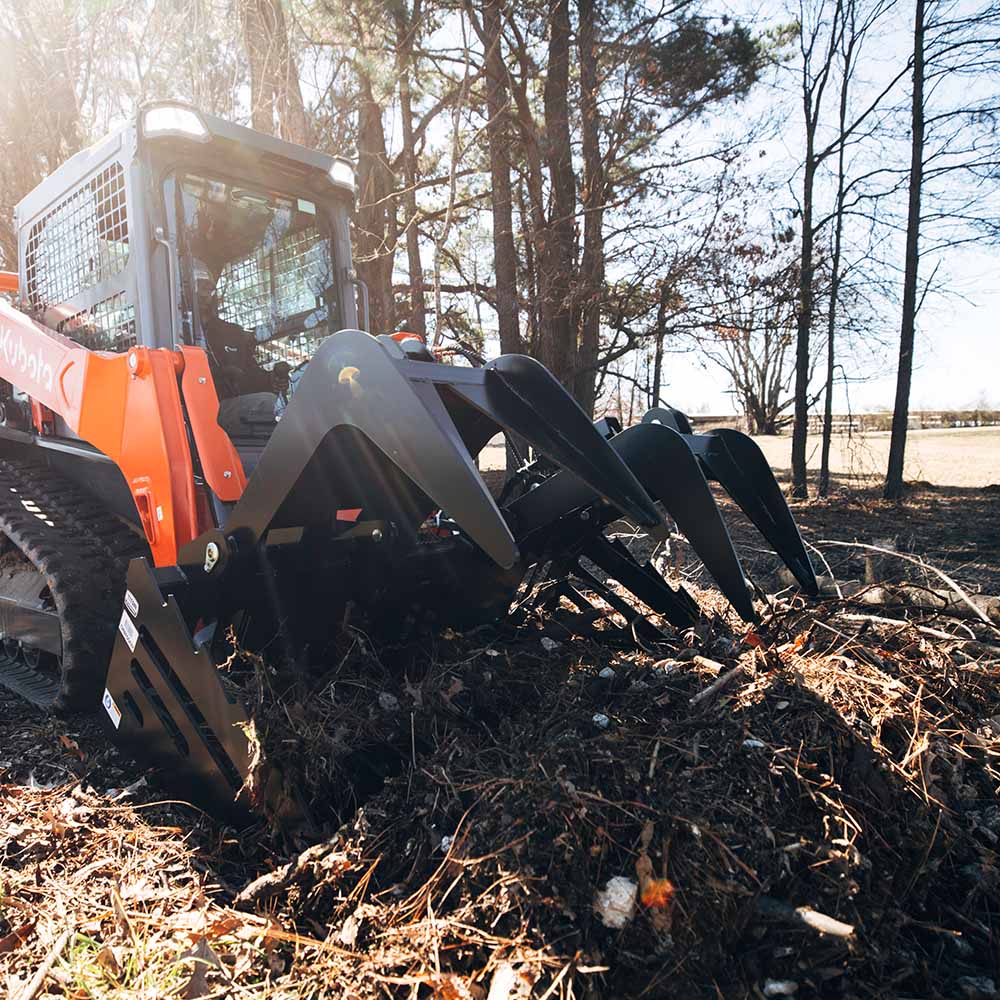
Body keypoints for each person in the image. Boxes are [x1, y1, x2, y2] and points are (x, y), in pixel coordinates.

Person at [192, 260, 289, 437]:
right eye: (199, 287)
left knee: (282, 404)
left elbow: (251, 375)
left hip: (230, 408)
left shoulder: (231, 333)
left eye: (209, 288)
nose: (206, 295)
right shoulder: (173, 332)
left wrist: (272, 380)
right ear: (184, 290)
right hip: (198, 413)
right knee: (267, 404)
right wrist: (220, 375)